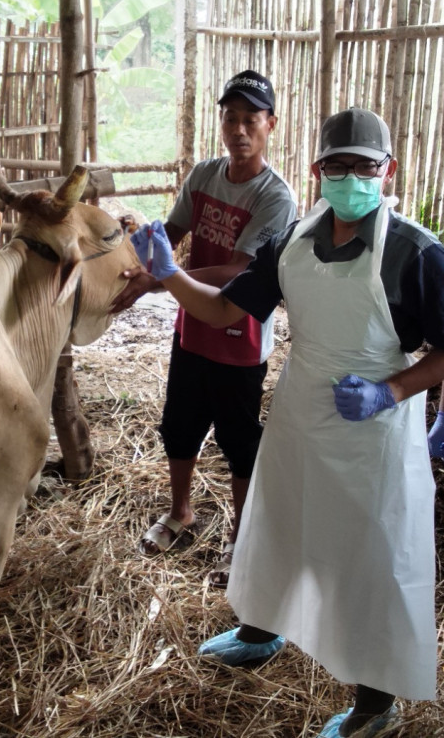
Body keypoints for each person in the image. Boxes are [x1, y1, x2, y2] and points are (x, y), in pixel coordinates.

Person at [128, 107, 444, 737]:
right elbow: (221, 312)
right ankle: (260, 629)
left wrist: (393, 389)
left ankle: (376, 702)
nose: (350, 177)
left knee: (370, 554)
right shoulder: (291, 242)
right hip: (302, 410)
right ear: (317, 170)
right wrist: (168, 274)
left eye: (364, 166)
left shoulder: (416, 253)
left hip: (372, 426)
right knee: (279, 520)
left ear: (389, 171)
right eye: (337, 165)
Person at [111, 70, 297, 586]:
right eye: (230, 118)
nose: (239, 130)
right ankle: (181, 513)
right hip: (193, 326)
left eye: (250, 120)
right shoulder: (205, 175)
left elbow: (242, 270)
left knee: (239, 441)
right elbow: (170, 233)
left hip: (241, 338)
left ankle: (241, 536)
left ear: (270, 126)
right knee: (180, 424)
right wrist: (140, 255)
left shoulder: (275, 197)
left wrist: (163, 277)